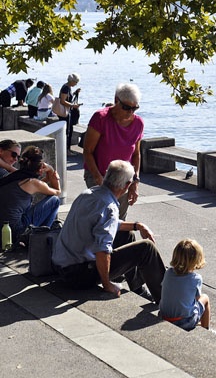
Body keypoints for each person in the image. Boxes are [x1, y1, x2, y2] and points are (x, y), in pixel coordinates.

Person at [51, 159, 166, 304]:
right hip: (78, 275)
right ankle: (167, 301)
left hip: (61, 266)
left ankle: (137, 287)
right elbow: (102, 249)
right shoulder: (109, 206)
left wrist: (137, 225)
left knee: (127, 234)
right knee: (146, 248)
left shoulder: (88, 194)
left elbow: (104, 224)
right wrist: (107, 285)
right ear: (127, 185)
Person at [83, 83, 144, 220]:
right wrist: (98, 178)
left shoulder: (138, 123)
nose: (130, 112)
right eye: (126, 107)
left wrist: (135, 182)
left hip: (124, 178)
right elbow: (88, 151)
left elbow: (136, 154)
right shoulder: (100, 118)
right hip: (99, 174)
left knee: (118, 219)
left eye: (134, 108)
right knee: (100, 218)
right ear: (116, 100)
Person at [0, 146, 61, 244]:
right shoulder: (33, 183)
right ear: (40, 168)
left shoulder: (14, 176)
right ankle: (43, 235)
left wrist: (48, 177)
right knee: (55, 200)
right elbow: (57, 191)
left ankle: (41, 233)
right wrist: (51, 170)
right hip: (16, 231)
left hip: (4, 230)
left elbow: (39, 185)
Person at [160, 239, 213, 332]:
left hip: (163, 317)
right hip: (184, 322)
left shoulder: (168, 273)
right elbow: (197, 299)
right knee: (205, 298)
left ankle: (198, 321)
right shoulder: (196, 278)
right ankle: (206, 329)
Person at [54, 73, 81, 145]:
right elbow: (62, 101)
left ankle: (66, 146)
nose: (76, 84)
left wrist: (75, 93)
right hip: (64, 112)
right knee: (67, 130)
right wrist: (73, 105)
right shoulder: (66, 88)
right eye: (76, 82)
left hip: (66, 110)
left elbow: (67, 98)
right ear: (72, 81)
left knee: (69, 129)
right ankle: (66, 147)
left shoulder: (67, 87)